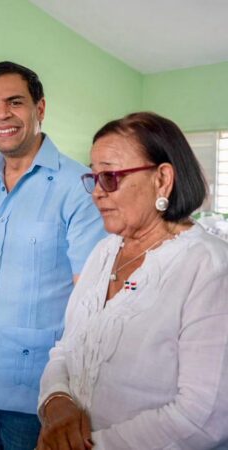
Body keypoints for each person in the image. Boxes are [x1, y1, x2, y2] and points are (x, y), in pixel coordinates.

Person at [0, 61, 106, 450]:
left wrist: (76, 400)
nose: (2, 115)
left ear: (39, 109)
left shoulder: (78, 188)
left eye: (15, 102)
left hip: (41, 399)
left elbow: (90, 304)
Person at [37, 112, 228, 450]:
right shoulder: (104, 251)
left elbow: (204, 416)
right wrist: (57, 402)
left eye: (110, 177)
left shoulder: (209, 266)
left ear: (162, 179)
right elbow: (65, 349)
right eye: (93, 178)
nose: (97, 193)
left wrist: (90, 445)